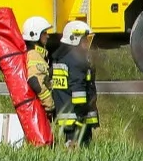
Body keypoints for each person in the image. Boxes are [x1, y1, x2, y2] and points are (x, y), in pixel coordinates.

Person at [51, 20, 99, 148]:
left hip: (66, 112)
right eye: (84, 40)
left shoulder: (61, 57)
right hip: (77, 114)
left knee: (72, 143)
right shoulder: (76, 60)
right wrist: (82, 110)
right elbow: (78, 87)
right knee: (79, 145)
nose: (87, 43)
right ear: (74, 39)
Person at [22, 16, 56, 121]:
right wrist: (50, 106)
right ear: (35, 35)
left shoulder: (37, 54)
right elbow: (35, 81)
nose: (48, 36)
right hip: (40, 108)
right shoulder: (34, 54)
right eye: (44, 33)